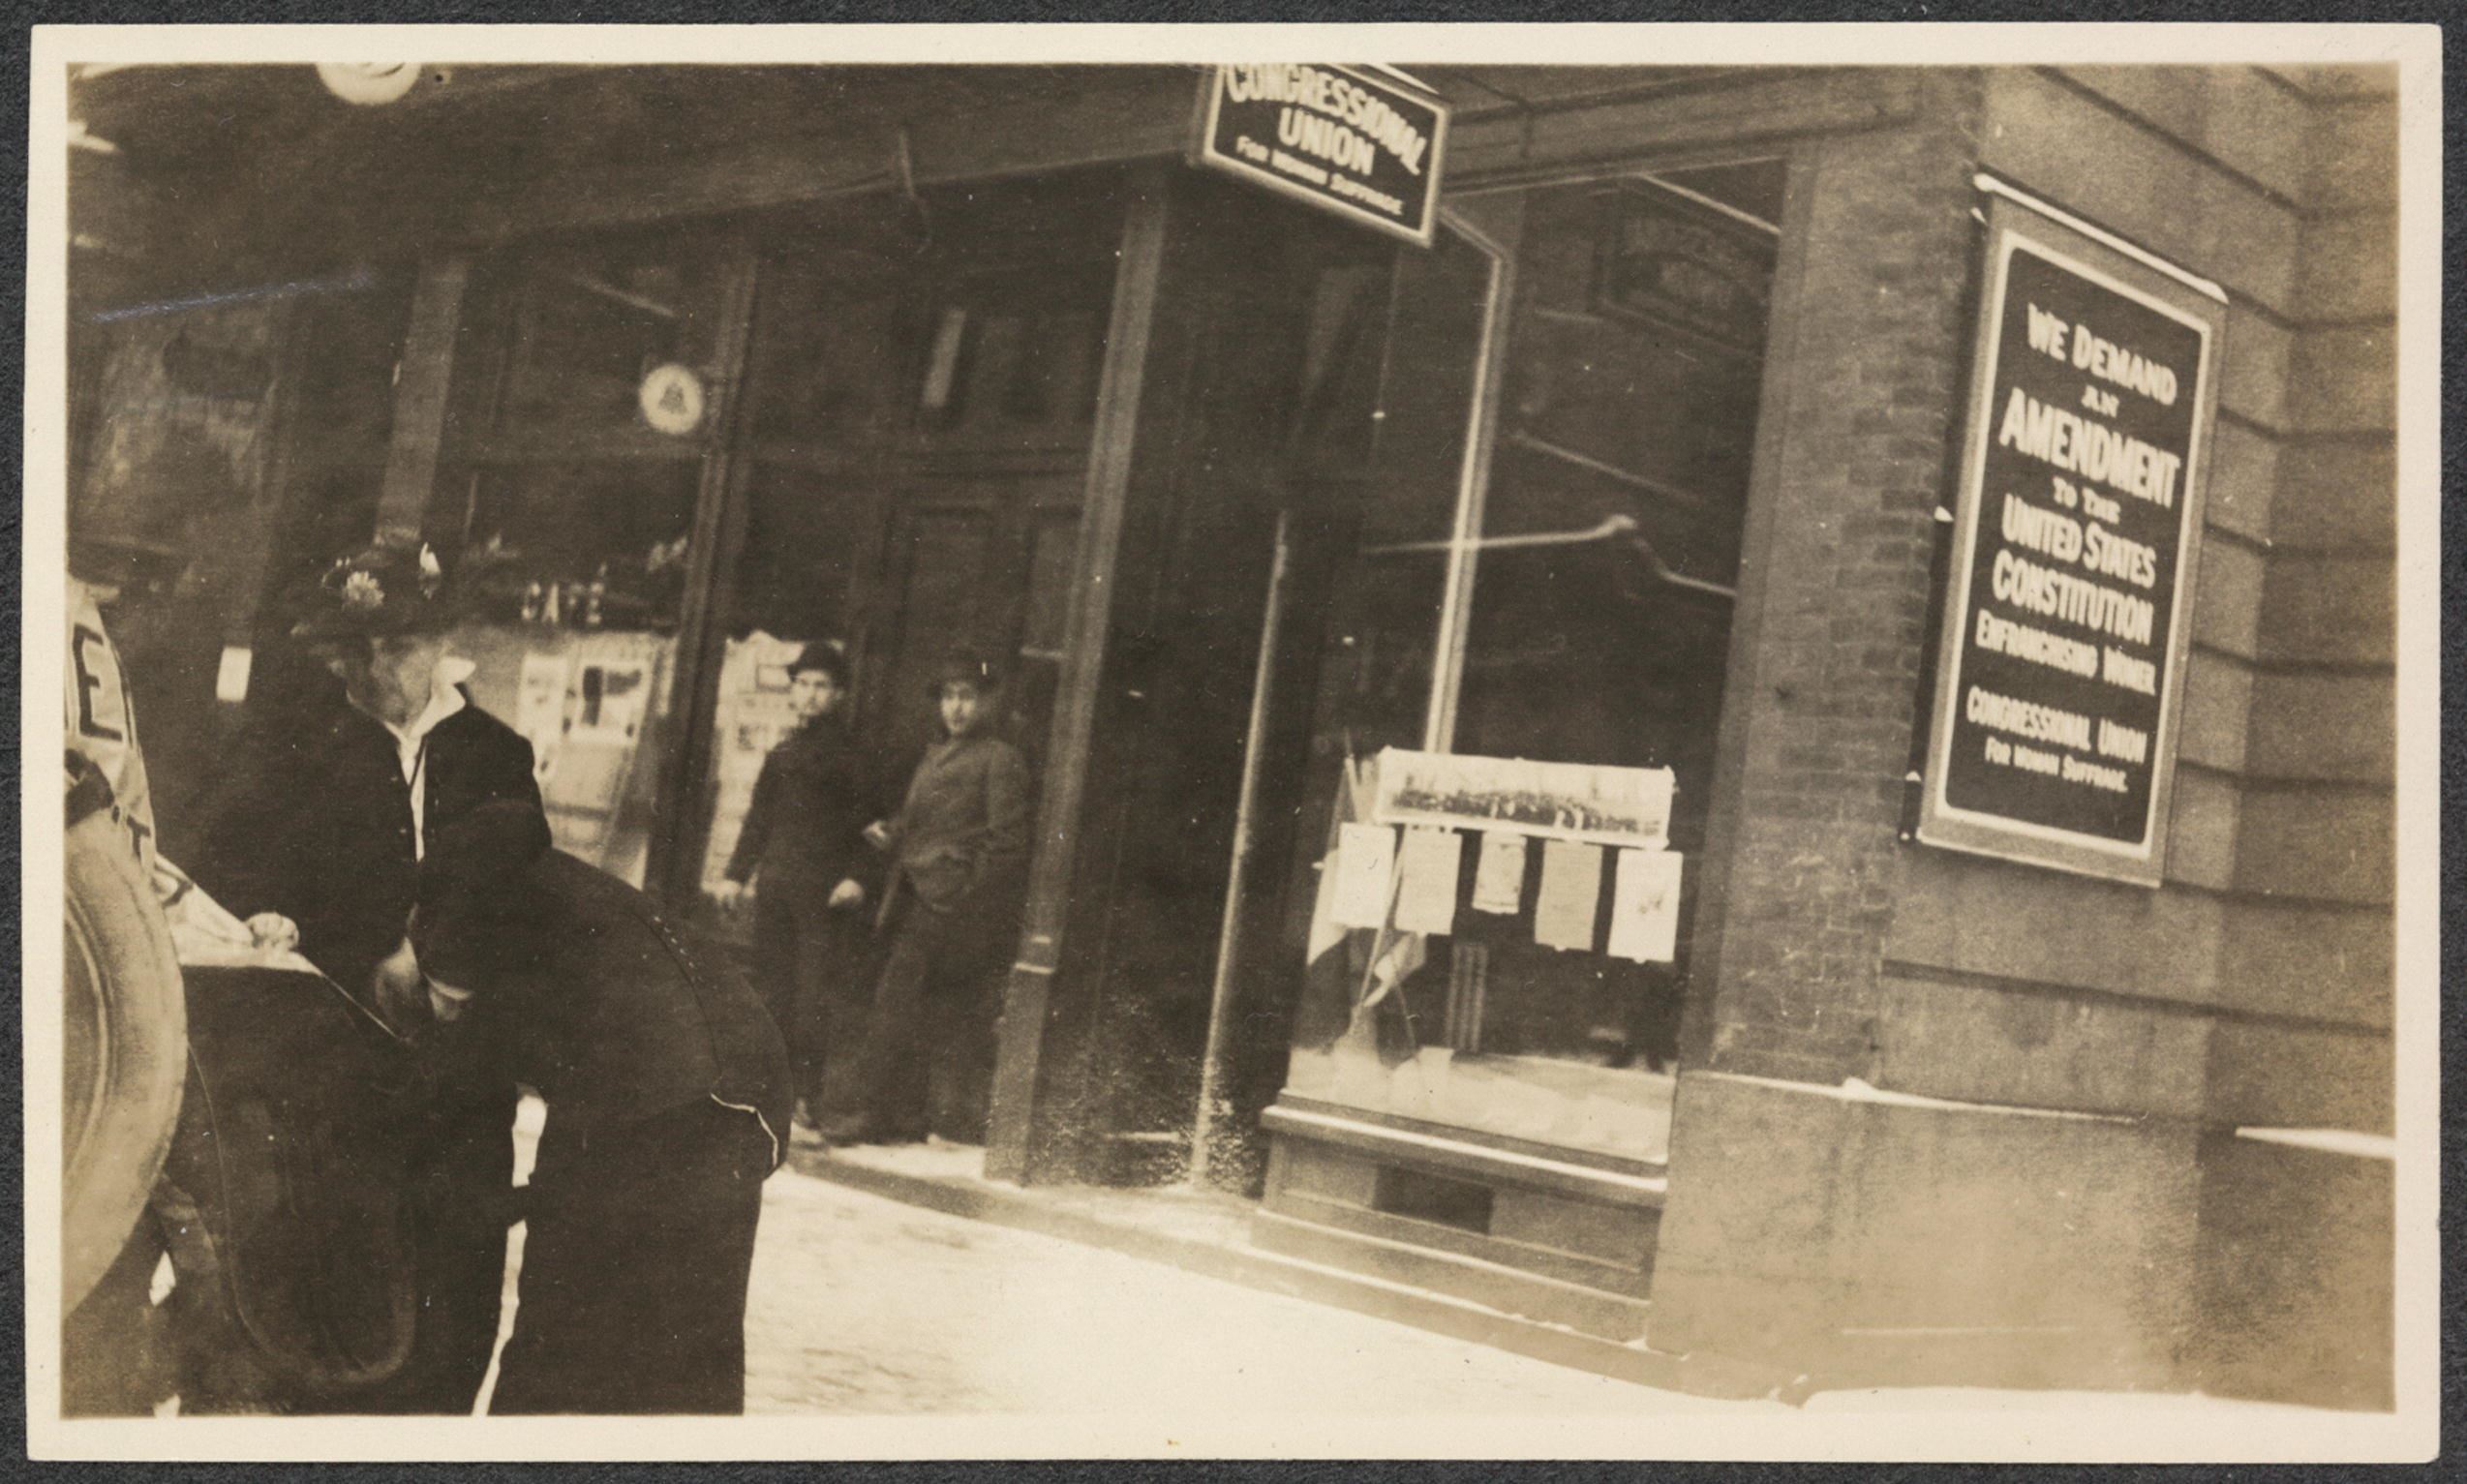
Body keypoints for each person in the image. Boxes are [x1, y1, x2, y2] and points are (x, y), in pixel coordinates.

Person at [192, 536, 547, 1414]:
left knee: (455, 1284)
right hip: (340, 1063)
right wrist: (270, 918)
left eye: (390, 647)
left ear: (437, 642)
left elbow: (517, 896)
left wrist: (435, 957)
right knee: (342, 1281)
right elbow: (236, 869)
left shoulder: (495, 753)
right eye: (349, 651)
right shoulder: (300, 747)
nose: (368, 669)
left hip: (461, 1067)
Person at [411, 801, 791, 1414]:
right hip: (745, 1090)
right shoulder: (560, 892)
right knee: (690, 1338)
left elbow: (471, 1058)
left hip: (667, 1099)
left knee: (563, 1323)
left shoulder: (481, 913)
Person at [826, 651, 1032, 1146]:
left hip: (947, 908)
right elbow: (928, 823)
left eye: (967, 697)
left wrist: (962, 892)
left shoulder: (1000, 759)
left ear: (987, 702)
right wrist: (892, 832)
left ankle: (873, 1116)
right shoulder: (934, 753)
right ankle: (903, 1116)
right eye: (948, 697)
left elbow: (1008, 844)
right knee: (905, 1008)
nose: (956, 708)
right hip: (910, 896)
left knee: (896, 1007)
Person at [711, 644, 875, 1132]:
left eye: (821, 686)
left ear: (839, 694)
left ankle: (807, 1096)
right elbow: (759, 820)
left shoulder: (854, 758)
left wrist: (857, 877)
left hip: (823, 897)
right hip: (777, 889)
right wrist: (735, 874)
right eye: (802, 684)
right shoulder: (782, 753)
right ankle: (768, 1092)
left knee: (813, 1000)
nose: (809, 695)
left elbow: (876, 829)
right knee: (770, 991)